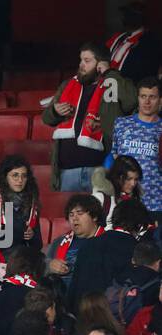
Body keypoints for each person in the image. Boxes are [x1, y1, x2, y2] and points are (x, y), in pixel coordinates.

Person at [42, 42, 137, 192]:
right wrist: (55, 111)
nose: (81, 65)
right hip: (67, 171)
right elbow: (47, 118)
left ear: (101, 64)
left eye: (87, 61)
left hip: (100, 170)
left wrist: (110, 73)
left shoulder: (111, 83)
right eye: (81, 60)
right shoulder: (68, 84)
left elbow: (131, 101)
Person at [99, 77, 160, 215]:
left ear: (160, 100)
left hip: (155, 203)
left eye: (152, 97)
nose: (147, 101)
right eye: (143, 96)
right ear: (138, 98)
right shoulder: (121, 124)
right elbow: (113, 156)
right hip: (125, 202)